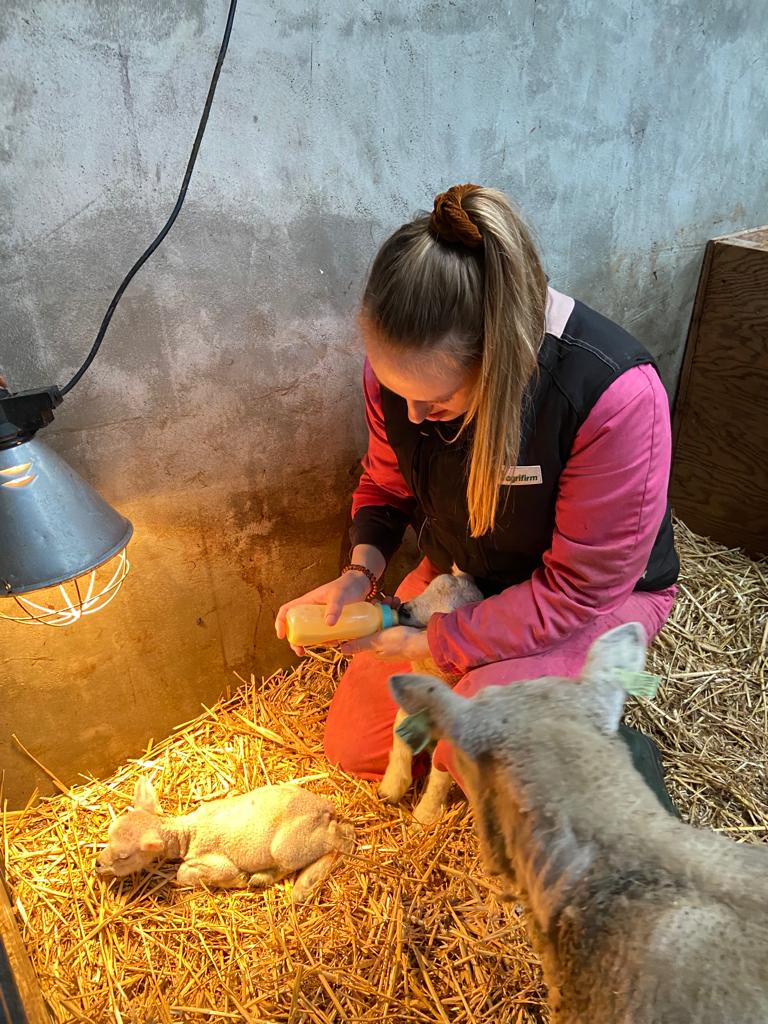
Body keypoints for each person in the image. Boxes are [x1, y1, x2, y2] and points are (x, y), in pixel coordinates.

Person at [276, 184, 679, 812]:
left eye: (436, 401)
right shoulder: (404, 377)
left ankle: (607, 708)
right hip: (466, 575)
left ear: (499, 357)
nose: (413, 415)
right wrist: (361, 573)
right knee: (356, 749)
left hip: (590, 600)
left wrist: (438, 645)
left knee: (472, 749)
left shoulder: (611, 393)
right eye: (398, 392)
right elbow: (386, 483)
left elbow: (577, 591)